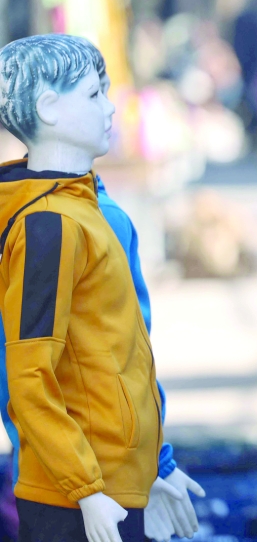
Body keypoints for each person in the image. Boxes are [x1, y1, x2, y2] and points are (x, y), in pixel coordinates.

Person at [0, 35, 182, 542]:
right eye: (93, 94)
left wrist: (157, 467)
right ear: (48, 108)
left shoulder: (89, 211)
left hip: (111, 485)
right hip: (78, 496)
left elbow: (127, 353)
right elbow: (29, 376)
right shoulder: (49, 225)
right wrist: (84, 489)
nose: (110, 107)